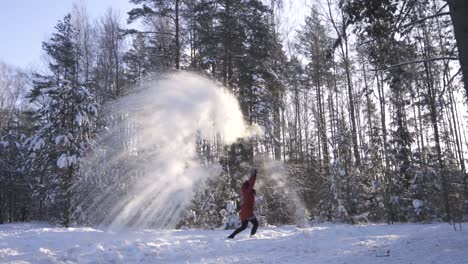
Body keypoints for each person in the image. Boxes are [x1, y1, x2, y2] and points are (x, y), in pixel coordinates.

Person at [227, 169, 259, 239]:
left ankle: (231, 236)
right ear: (248, 186)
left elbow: (250, 183)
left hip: (245, 211)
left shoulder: (245, 191)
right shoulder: (248, 192)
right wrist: (254, 175)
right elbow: (252, 183)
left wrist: (252, 175)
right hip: (248, 212)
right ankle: (252, 236)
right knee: (256, 224)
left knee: (243, 227)